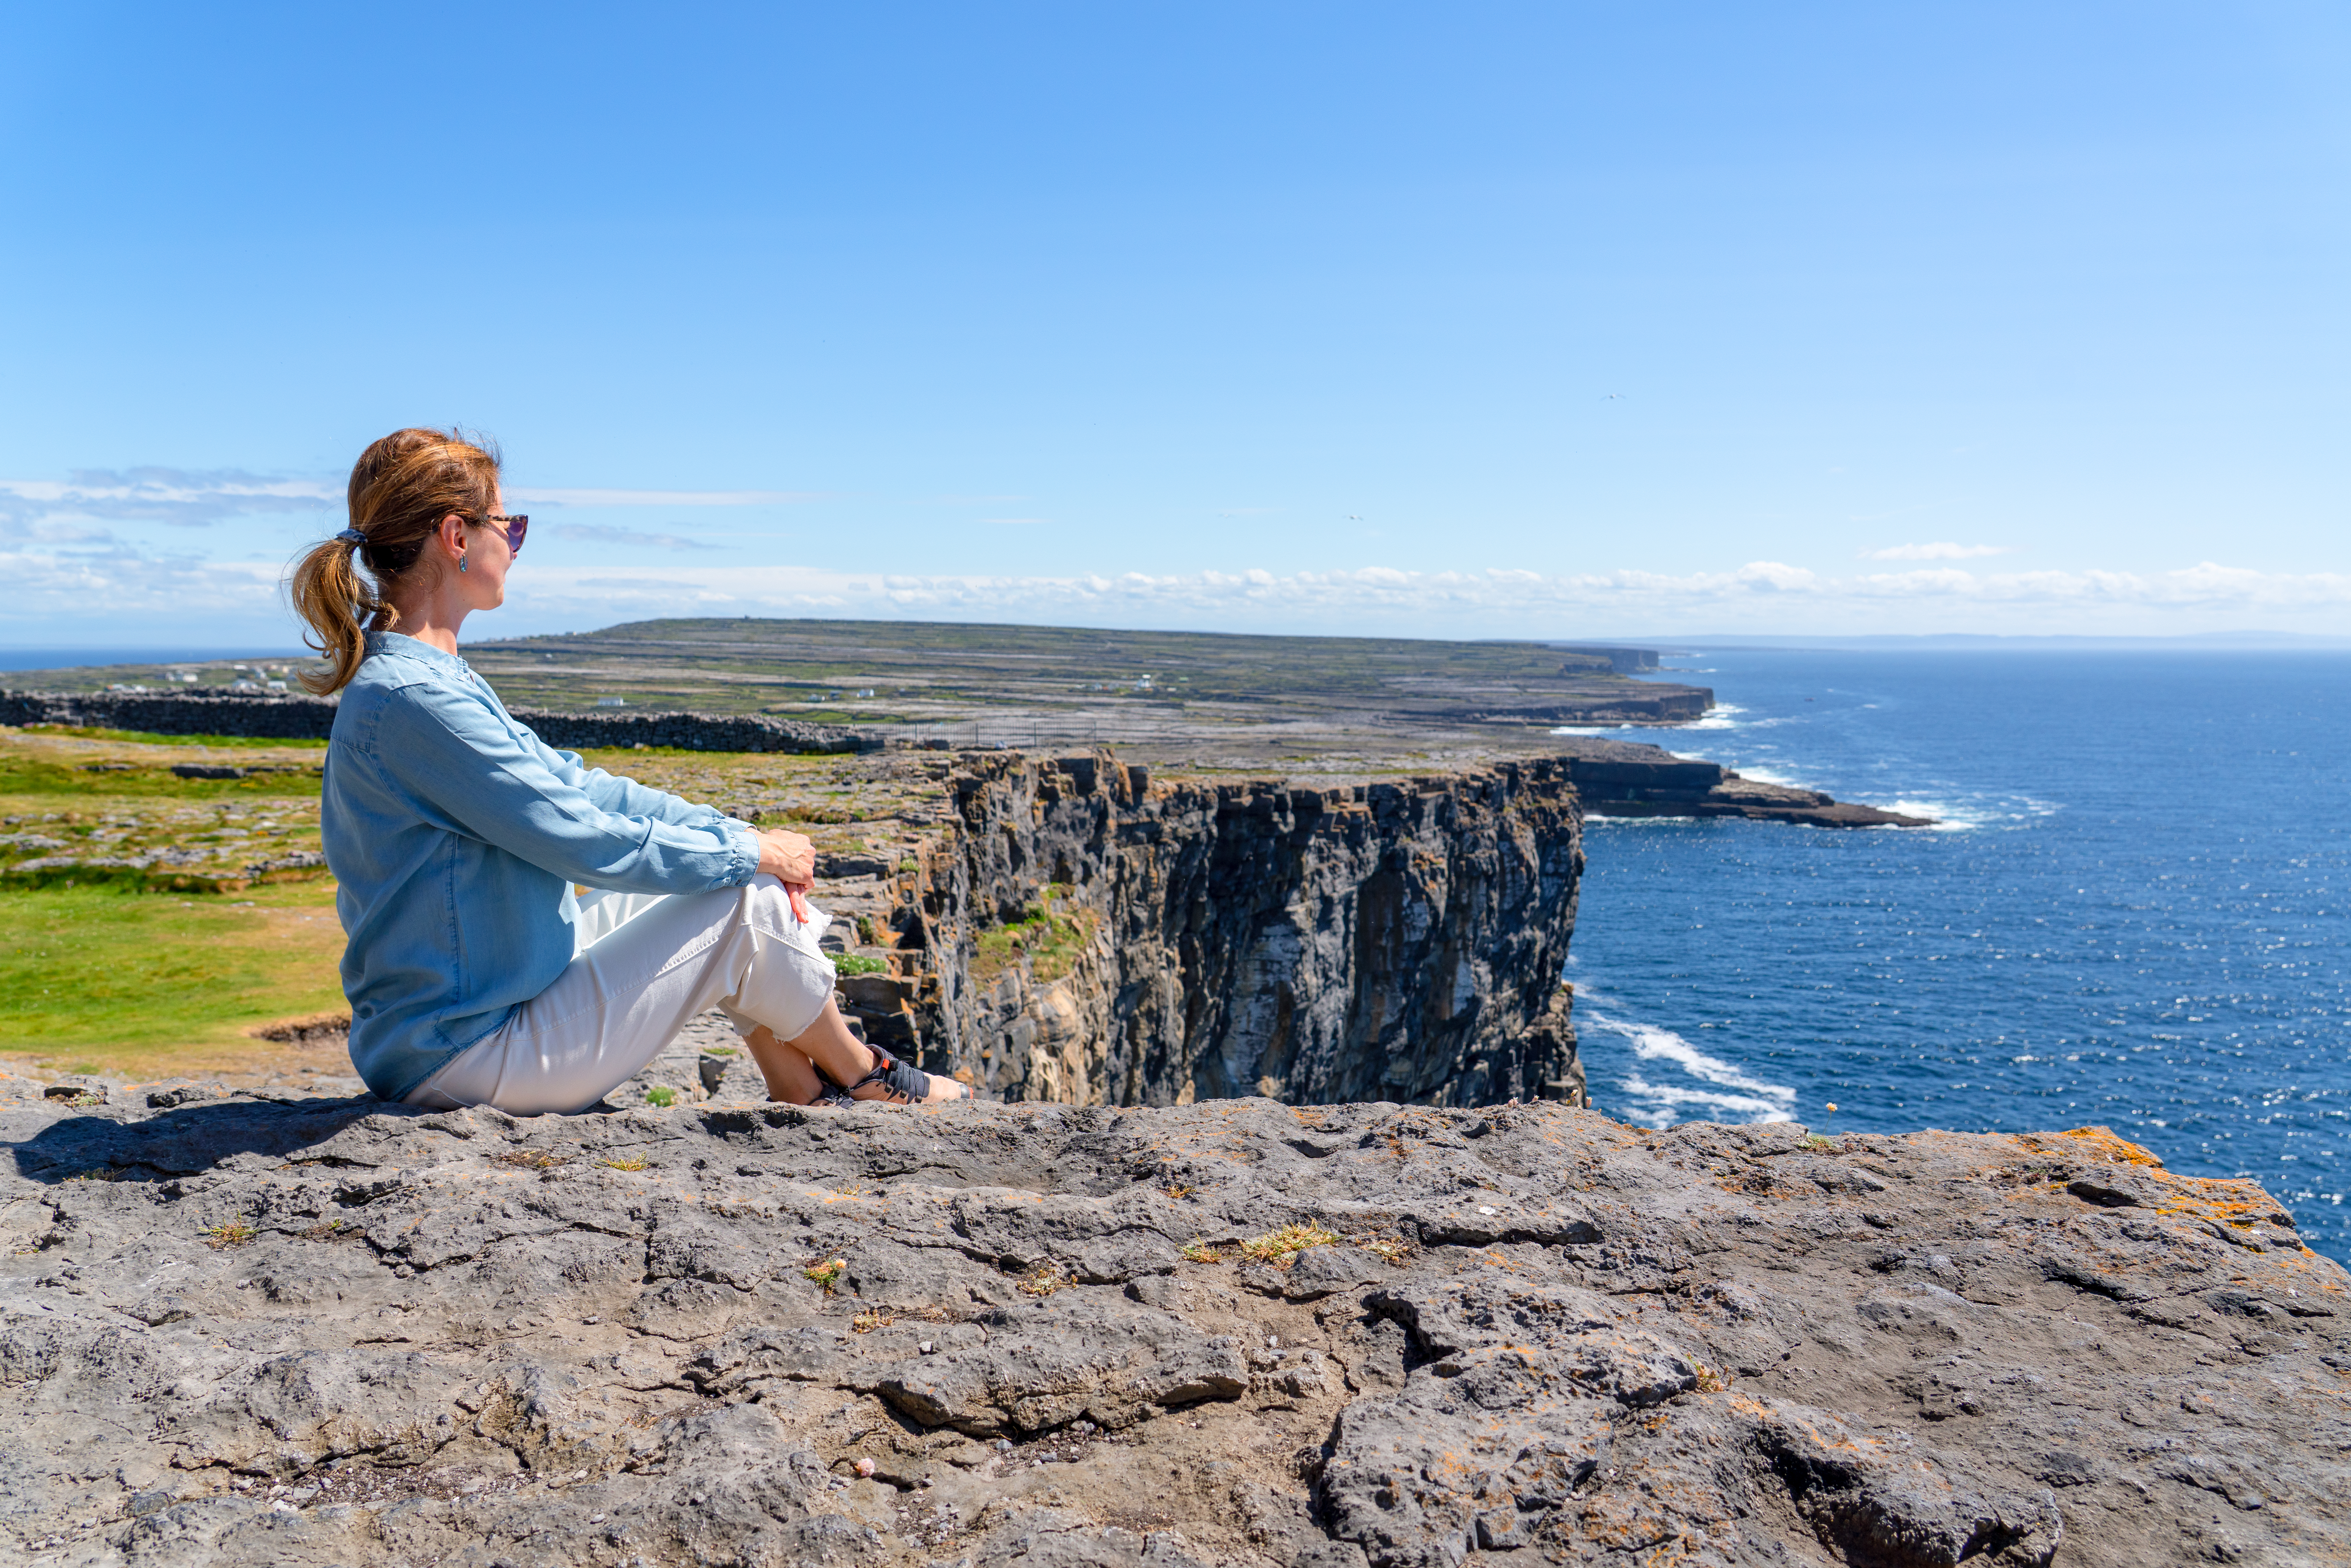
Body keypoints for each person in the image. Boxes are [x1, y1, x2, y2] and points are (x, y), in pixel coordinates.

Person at [286, 427, 970, 1114]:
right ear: (457, 537)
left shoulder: (426, 678)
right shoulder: (418, 699)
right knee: (743, 897)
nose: (516, 545)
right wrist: (749, 852)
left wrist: (736, 834)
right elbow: (584, 839)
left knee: (745, 875)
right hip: (467, 1054)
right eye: (511, 526)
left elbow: (579, 784)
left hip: (470, 1017)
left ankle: (800, 1085)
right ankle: (862, 1072)